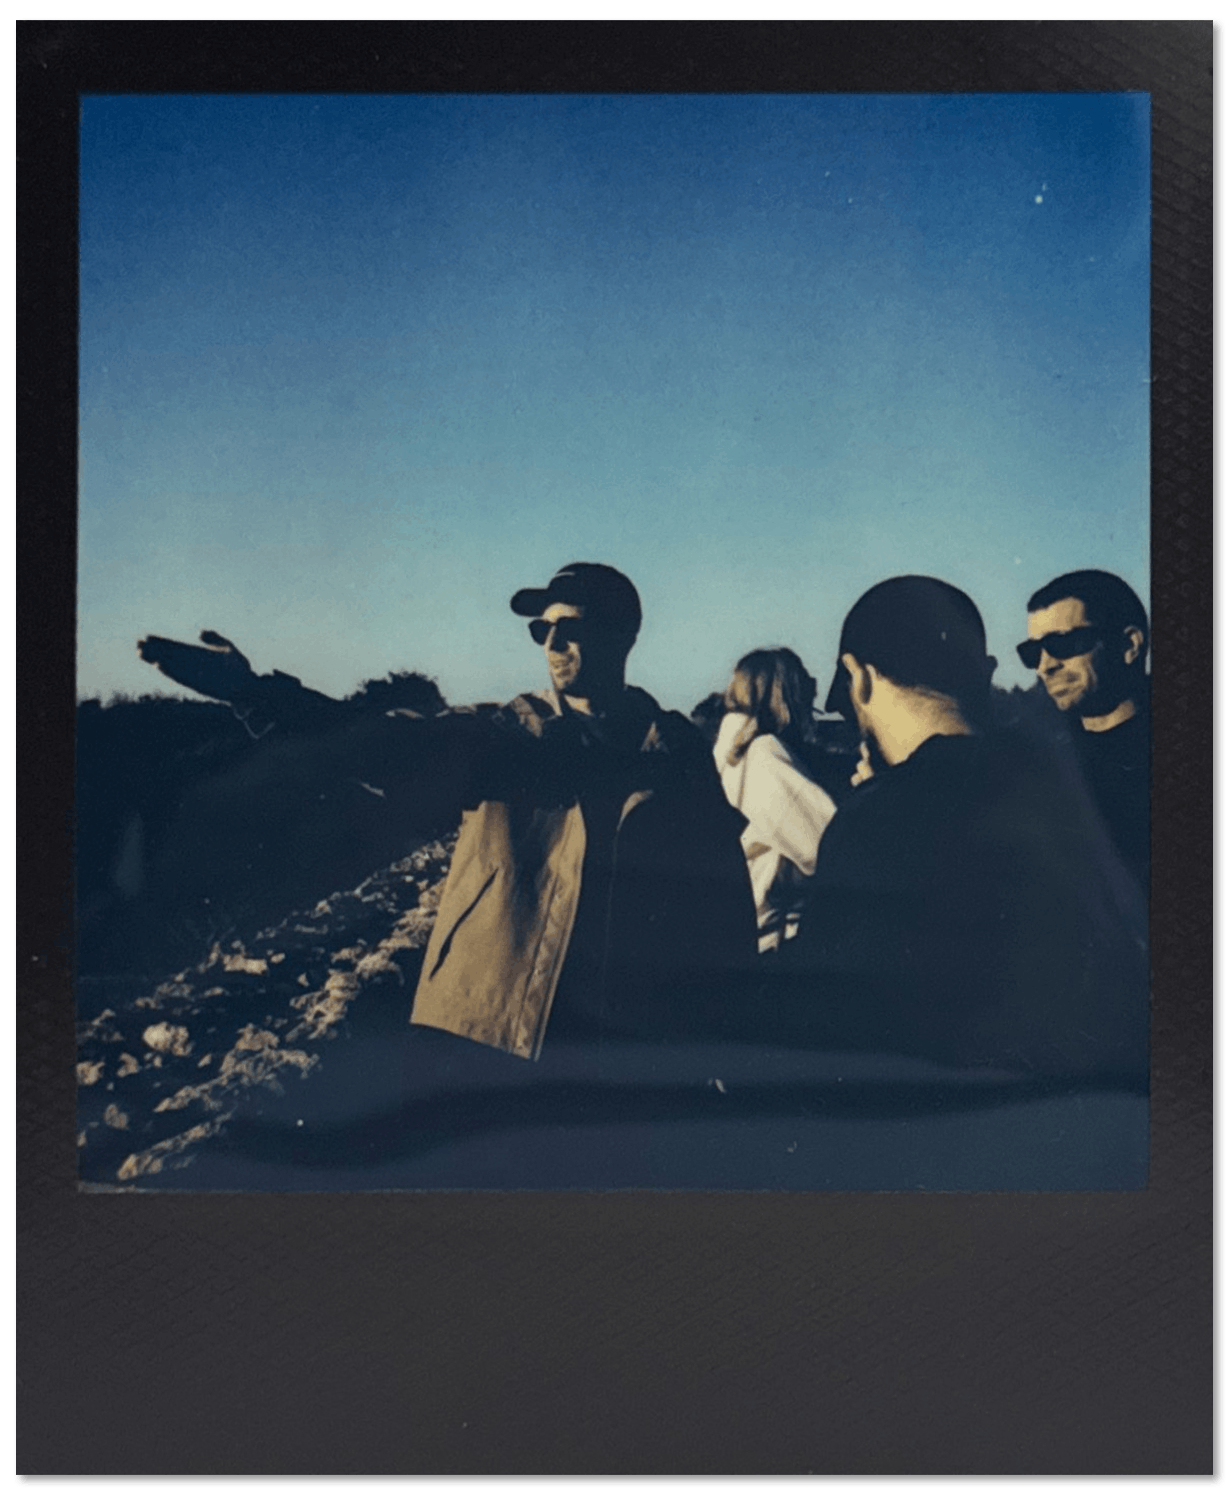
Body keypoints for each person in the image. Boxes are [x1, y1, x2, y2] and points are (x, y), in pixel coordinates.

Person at [139, 563, 757, 1062]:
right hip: (494, 1026)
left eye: (569, 626)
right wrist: (256, 694)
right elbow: (384, 741)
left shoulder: (675, 753)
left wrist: (733, 1029)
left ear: (622, 635)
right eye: (541, 630)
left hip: (620, 1039)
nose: (552, 643)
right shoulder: (511, 735)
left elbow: (722, 897)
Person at [783, 575, 1148, 1084]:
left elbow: (834, 1026)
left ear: (858, 677)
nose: (1045, 664)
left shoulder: (876, 822)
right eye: (1033, 652)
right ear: (987, 672)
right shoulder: (1065, 783)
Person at [1019, 569, 1150, 888]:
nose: (1045, 666)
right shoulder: (1034, 759)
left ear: (1129, 645)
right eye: (1032, 652)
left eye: (1064, 643)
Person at [713, 649, 837, 953]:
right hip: (778, 943)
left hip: (746, 934)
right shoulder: (765, 755)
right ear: (787, 696)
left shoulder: (729, 753)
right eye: (804, 686)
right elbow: (831, 844)